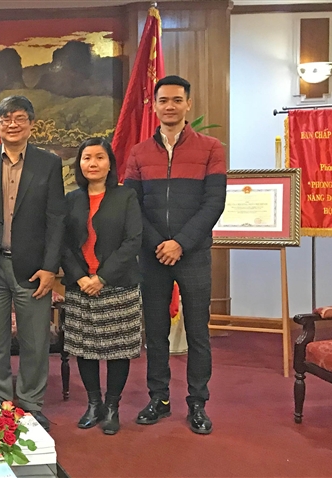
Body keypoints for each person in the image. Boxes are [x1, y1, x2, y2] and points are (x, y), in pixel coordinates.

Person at [123, 75, 227, 435]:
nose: (170, 106)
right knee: (155, 331)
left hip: (193, 253)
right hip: (153, 256)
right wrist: (159, 244)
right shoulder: (138, 152)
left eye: (177, 100)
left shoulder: (211, 148)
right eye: (163, 100)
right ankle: (159, 398)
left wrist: (181, 242)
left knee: (198, 331)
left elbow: (214, 203)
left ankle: (198, 403)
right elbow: (132, 205)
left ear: (188, 104)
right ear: (154, 105)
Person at [0, 95, 65, 430]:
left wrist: (51, 268)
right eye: (6, 119)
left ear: (31, 125)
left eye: (20, 118)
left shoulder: (48, 163)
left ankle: (31, 403)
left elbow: (56, 219)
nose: (12, 124)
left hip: (34, 269)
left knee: (35, 340)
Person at [61, 138, 143, 435]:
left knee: (118, 350)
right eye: (86, 158)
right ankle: (93, 404)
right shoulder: (71, 199)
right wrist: (80, 277)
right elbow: (62, 243)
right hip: (81, 286)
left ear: (110, 163)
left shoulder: (126, 196)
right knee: (85, 349)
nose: (92, 163)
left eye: (99, 157)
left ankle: (111, 406)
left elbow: (133, 240)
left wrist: (103, 278)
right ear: (79, 164)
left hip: (117, 285)